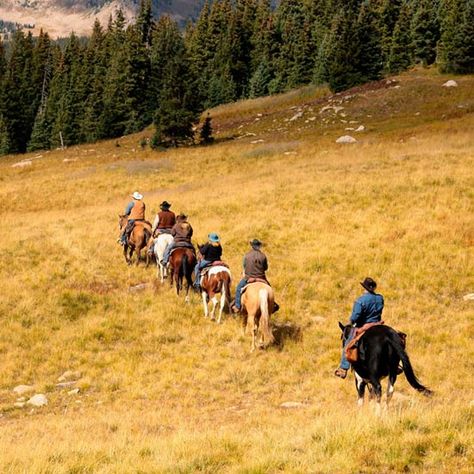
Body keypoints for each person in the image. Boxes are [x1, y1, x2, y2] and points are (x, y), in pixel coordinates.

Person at [334, 277, 384, 379]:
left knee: (348, 343)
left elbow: (355, 317)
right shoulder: (380, 298)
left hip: (364, 326)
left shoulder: (360, 300)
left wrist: (351, 322)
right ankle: (394, 365)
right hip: (378, 324)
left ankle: (343, 368)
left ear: (364, 287)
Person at [231, 239, 279, 313]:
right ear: (259, 246)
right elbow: (266, 268)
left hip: (248, 278)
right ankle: (272, 304)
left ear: (252, 246)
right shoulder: (263, 256)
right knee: (269, 288)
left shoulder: (247, 255)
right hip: (261, 278)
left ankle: (237, 306)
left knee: (238, 288)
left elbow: (244, 265)